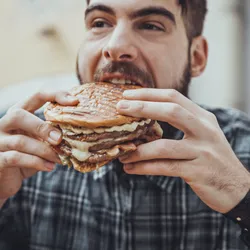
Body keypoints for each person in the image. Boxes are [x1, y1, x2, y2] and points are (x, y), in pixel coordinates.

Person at [1, 0, 250, 249]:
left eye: (150, 25)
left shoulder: (241, 150)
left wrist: (242, 198)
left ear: (196, 57)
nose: (115, 46)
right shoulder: (22, 148)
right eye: (99, 23)